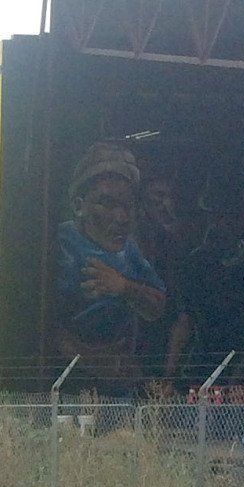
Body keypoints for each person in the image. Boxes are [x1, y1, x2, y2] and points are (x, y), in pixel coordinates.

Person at [53, 143, 168, 393]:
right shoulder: (61, 247)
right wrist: (86, 357)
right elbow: (41, 324)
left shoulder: (128, 249)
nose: (121, 217)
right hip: (72, 388)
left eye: (127, 206)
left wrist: (124, 287)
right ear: (79, 206)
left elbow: (158, 305)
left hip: (119, 386)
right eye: (107, 203)